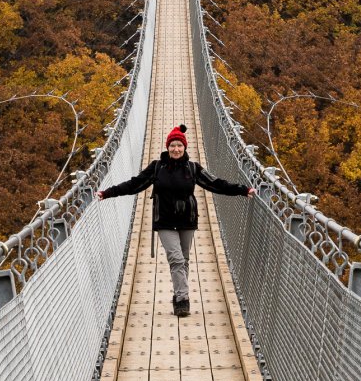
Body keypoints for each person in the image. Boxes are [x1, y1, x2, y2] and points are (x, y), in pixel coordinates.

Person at [94, 125, 254, 317]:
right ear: (167, 147)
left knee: (184, 260)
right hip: (165, 222)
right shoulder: (157, 167)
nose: (176, 149)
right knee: (176, 260)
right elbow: (134, 184)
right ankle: (182, 300)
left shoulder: (193, 168)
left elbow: (216, 184)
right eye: (172, 146)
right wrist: (107, 193)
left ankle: (178, 294)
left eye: (179, 145)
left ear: (185, 147)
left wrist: (243, 190)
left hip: (187, 220)